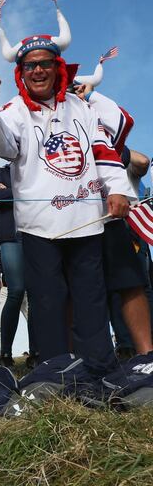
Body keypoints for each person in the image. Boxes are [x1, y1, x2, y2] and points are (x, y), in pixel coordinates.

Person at [0, 5, 136, 374]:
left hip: (86, 219)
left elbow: (102, 150)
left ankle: (99, 370)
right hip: (39, 225)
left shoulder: (82, 108)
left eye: (44, 63)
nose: (37, 70)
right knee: (48, 300)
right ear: (21, 73)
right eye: (30, 65)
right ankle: (53, 371)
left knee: (90, 296)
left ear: (57, 68)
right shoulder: (13, 109)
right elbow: (4, 146)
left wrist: (117, 190)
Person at [72, 65, 153, 358]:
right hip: (76, 217)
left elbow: (127, 129)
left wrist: (90, 95)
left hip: (112, 216)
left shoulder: (101, 125)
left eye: (75, 89)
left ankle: (145, 353)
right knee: (89, 290)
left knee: (130, 283)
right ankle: (99, 356)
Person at [0, 164, 35, 366]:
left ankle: (37, 351)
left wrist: (10, 191)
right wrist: (27, 192)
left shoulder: (37, 167)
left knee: (35, 294)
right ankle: (5, 354)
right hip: (10, 237)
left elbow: (41, 194)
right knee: (15, 291)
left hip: (36, 234)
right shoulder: (0, 172)